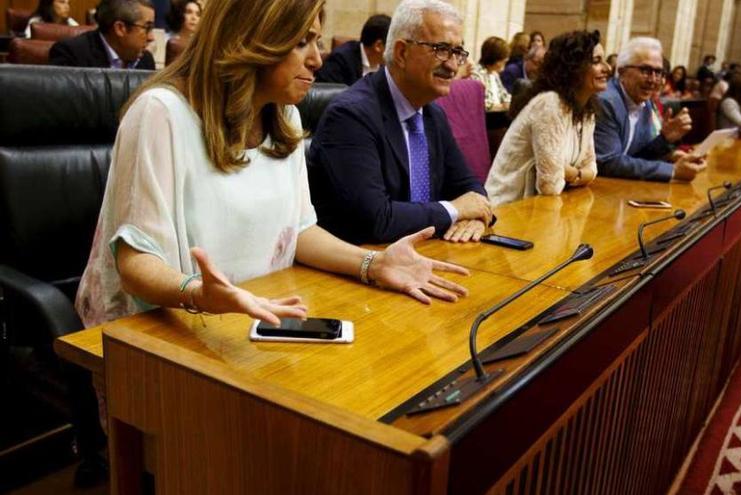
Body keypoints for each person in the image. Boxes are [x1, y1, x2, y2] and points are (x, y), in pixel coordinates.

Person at [76, 0, 470, 334]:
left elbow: (299, 231)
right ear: (250, 37)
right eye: (301, 43)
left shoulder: (286, 117)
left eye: (316, 41)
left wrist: (373, 264)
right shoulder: (161, 113)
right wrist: (199, 293)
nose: (317, 60)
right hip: (160, 331)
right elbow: (136, 263)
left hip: (257, 324)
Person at [307, 0, 492, 245]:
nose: (451, 65)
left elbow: (469, 186)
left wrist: (476, 217)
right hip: (356, 267)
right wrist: (456, 210)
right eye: (441, 49)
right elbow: (376, 219)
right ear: (402, 52)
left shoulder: (433, 115)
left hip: (422, 257)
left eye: (458, 52)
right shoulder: (351, 115)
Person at [485, 30, 607, 206]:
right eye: (596, 61)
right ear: (573, 67)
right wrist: (576, 174)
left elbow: (592, 169)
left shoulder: (586, 110)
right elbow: (550, 185)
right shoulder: (549, 105)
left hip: (544, 206)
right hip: (506, 210)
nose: (607, 68)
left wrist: (568, 172)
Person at [593, 37, 704, 182]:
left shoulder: (645, 102)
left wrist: (666, 145)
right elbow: (608, 163)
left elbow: (637, 157)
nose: (653, 80)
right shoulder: (606, 101)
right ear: (622, 72)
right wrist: (673, 171)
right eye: (645, 70)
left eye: (658, 72)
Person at [49, 0, 156, 70]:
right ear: (120, 28)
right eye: (147, 28)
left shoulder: (146, 61)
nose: (152, 38)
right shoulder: (71, 54)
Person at [314, 14, 391, 85]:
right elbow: (329, 95)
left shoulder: (384, 67)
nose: (394, 51)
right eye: (392, 45)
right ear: (378, 46)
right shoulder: (340, 59)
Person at [470, 36, 511, 112]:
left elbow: (505, 96)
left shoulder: (494, 74)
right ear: (495, 58)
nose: (504, 64)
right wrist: (502, 107)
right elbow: (482, 105)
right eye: (503, 61)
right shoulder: (475, 74)